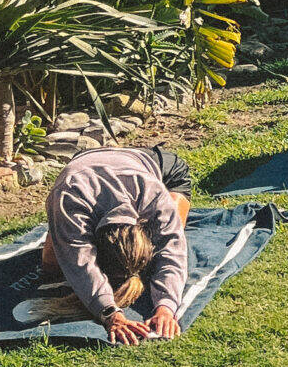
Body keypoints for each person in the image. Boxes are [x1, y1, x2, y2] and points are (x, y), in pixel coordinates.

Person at [41, 143, 194, 345]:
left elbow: (172, 250)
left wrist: (166, 307)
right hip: (85, 163)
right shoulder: (69, 198)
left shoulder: (154, 195)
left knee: (173, 231)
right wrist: (110, 313)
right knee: (52, 263)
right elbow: (80, 263)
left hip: (162, 170)